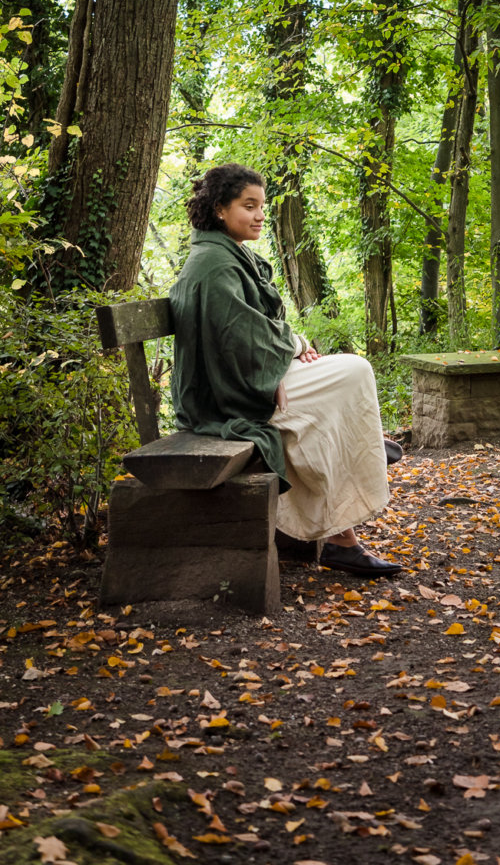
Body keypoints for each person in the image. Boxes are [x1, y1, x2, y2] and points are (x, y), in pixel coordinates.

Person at [169, 162, 402, 578]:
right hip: (228, 397)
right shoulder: (214, 264)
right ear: (220, 210)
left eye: (262, 205)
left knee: (352, 371)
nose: (260, 215)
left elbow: (251, 330)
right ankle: (353, 477)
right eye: (249, 205)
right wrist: (283, 359)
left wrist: (288, 350)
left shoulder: (228, 254)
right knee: (353, 370)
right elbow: (238, 338)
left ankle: (345, 521)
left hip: (248, 376)